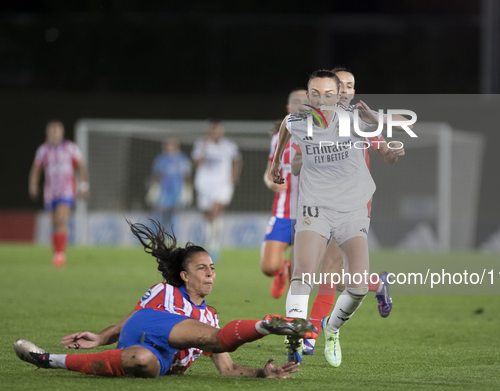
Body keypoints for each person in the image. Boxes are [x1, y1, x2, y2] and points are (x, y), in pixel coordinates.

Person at [14, 221, 316, 378]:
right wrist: (102, 337)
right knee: (211, 338)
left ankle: (47, 362)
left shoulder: (210, 319)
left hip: (157, 357)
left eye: (212, 269)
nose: (210, 274)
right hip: (145, 329)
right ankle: (267, 325)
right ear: (184, 276)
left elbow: (228, 369)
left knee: (145, 361)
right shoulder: (165, 292)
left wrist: (262, 373)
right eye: (202, 269)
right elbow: (134, 318)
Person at [271, 70, 411, 367]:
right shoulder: (300, 122)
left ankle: (330, 328)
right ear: (308, 95)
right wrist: (277, 164)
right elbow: (287, 131)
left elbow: (400, 131)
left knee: (350, 283)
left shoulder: (356, 120)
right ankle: (297, 338)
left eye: (332, 93)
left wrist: (379, 125)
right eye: (316, 93)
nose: (323, 99)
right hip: (315, 207)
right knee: (307, 274)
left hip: (354, 208)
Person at [261, 89, 306, 299]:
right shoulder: (279, 138)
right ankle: (281, 270)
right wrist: (272, 184)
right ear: (289, 108)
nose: (301, 105)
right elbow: (268, 174)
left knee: (300, 277)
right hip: (283, 212)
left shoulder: (323, 135)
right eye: (296, 102)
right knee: (268, 267)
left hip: (309, 214)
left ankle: (295, 318)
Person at [29, 120, 89, 267]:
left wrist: (84, 185)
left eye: (57, 131)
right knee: (54, 222)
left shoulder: (70, 148)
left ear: (61, 133)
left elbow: (81, 166)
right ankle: (57, 252)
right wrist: (33, 185)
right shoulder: (43, 150)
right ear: (48, 133)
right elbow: (36, 169)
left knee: (62, 220)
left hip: (66, 189)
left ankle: (60, 255)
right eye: (52, 131)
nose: (54, 134)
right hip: (50, 190)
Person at [191, 120, 242, 262]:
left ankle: (214, 247)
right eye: (212, 131)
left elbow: (237, 160)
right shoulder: (201, 144)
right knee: (207, 216)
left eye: (217, 130)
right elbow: (196, 163)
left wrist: (234, 175)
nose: (215, 133)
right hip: (204, 185)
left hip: (222, 185)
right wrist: (205, 148)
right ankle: (209, 244)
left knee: (215, 212)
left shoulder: (229, 146)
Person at [148, 138, 192, 234]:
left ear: (176, 146)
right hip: (163, 192)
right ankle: (155, 236)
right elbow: (156, 175)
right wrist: (153, 188)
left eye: (170, 145)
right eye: (166, 145)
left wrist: (188, 190)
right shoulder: (160, 159)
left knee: (175, 215)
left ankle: (173, 237)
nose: (168, 147)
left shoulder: (183, 159)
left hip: (177, 192)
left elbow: (187, 176)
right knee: (158, 214)